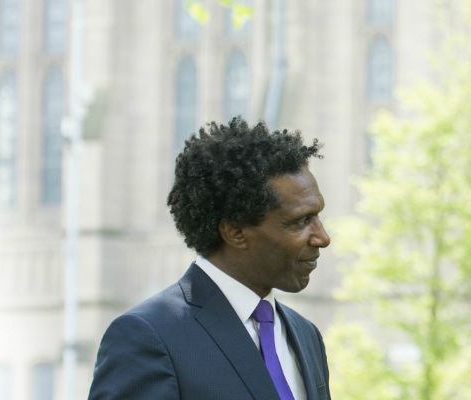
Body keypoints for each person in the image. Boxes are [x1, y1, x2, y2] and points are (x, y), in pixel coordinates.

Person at [89, 117, 332, 400]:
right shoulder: (149, 337)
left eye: (317, 216)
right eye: (301, 221)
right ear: (235, 232)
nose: (322, 237)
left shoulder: (306, 335)